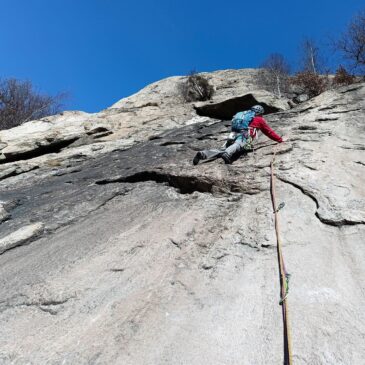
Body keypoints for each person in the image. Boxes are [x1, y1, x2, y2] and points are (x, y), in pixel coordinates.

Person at [193, 105, 284, 165]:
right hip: (245, 134)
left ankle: (204, 154)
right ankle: (227, 153)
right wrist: (280, 140)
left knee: (223, 149)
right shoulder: (259, 119)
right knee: (239, 145)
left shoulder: (243, 115)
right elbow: (269, 132)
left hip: (233, 133)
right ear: (260, 112)